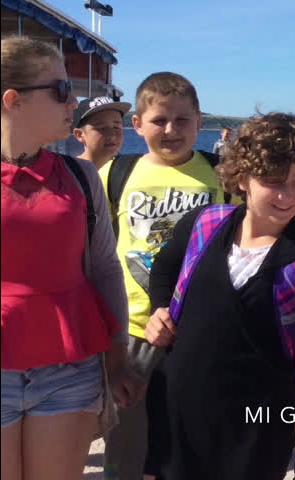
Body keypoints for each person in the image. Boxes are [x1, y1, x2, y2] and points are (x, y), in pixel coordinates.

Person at [142, 112, 295, 479]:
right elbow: (164, 266)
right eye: (272, 181)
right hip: (177, 414)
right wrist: (160, 308)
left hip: (257, 429)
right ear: (243, 178)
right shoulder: (204, 225)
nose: (286, 196)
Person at [1, 36, 139, 480]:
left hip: (68, 368)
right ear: (13, 100)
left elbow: (105, 268)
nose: (73, 102)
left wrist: (117, 355)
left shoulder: (80, 176)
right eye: (61, 90)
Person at [98, 71, 230, 480]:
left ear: (199, 122)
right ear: (137, 125)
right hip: (134, 332)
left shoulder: (222, 174)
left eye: (182, 120)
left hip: (200, 333)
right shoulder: (114, 174)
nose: (171, 130)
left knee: (191, 443)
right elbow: (95, 253)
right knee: (127, 446)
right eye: (159, 120)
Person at [72, 96, 132, 169]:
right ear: (79, 135)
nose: (112, 135)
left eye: (116, 127)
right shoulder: (70, 172)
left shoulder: (128, 170)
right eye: (102, 128)